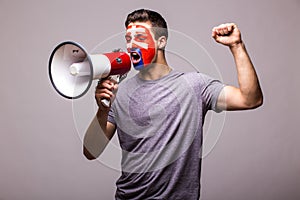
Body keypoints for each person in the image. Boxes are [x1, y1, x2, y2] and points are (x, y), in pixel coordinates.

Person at [83, 9, 263, 200]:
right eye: (128, 38)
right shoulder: (120, 92)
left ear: (162, 41)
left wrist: (236, 45)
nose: (131, 45)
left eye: (140, 37)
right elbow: (90, 152)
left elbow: (250, 99)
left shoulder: (195, 86)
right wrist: (102, 111)